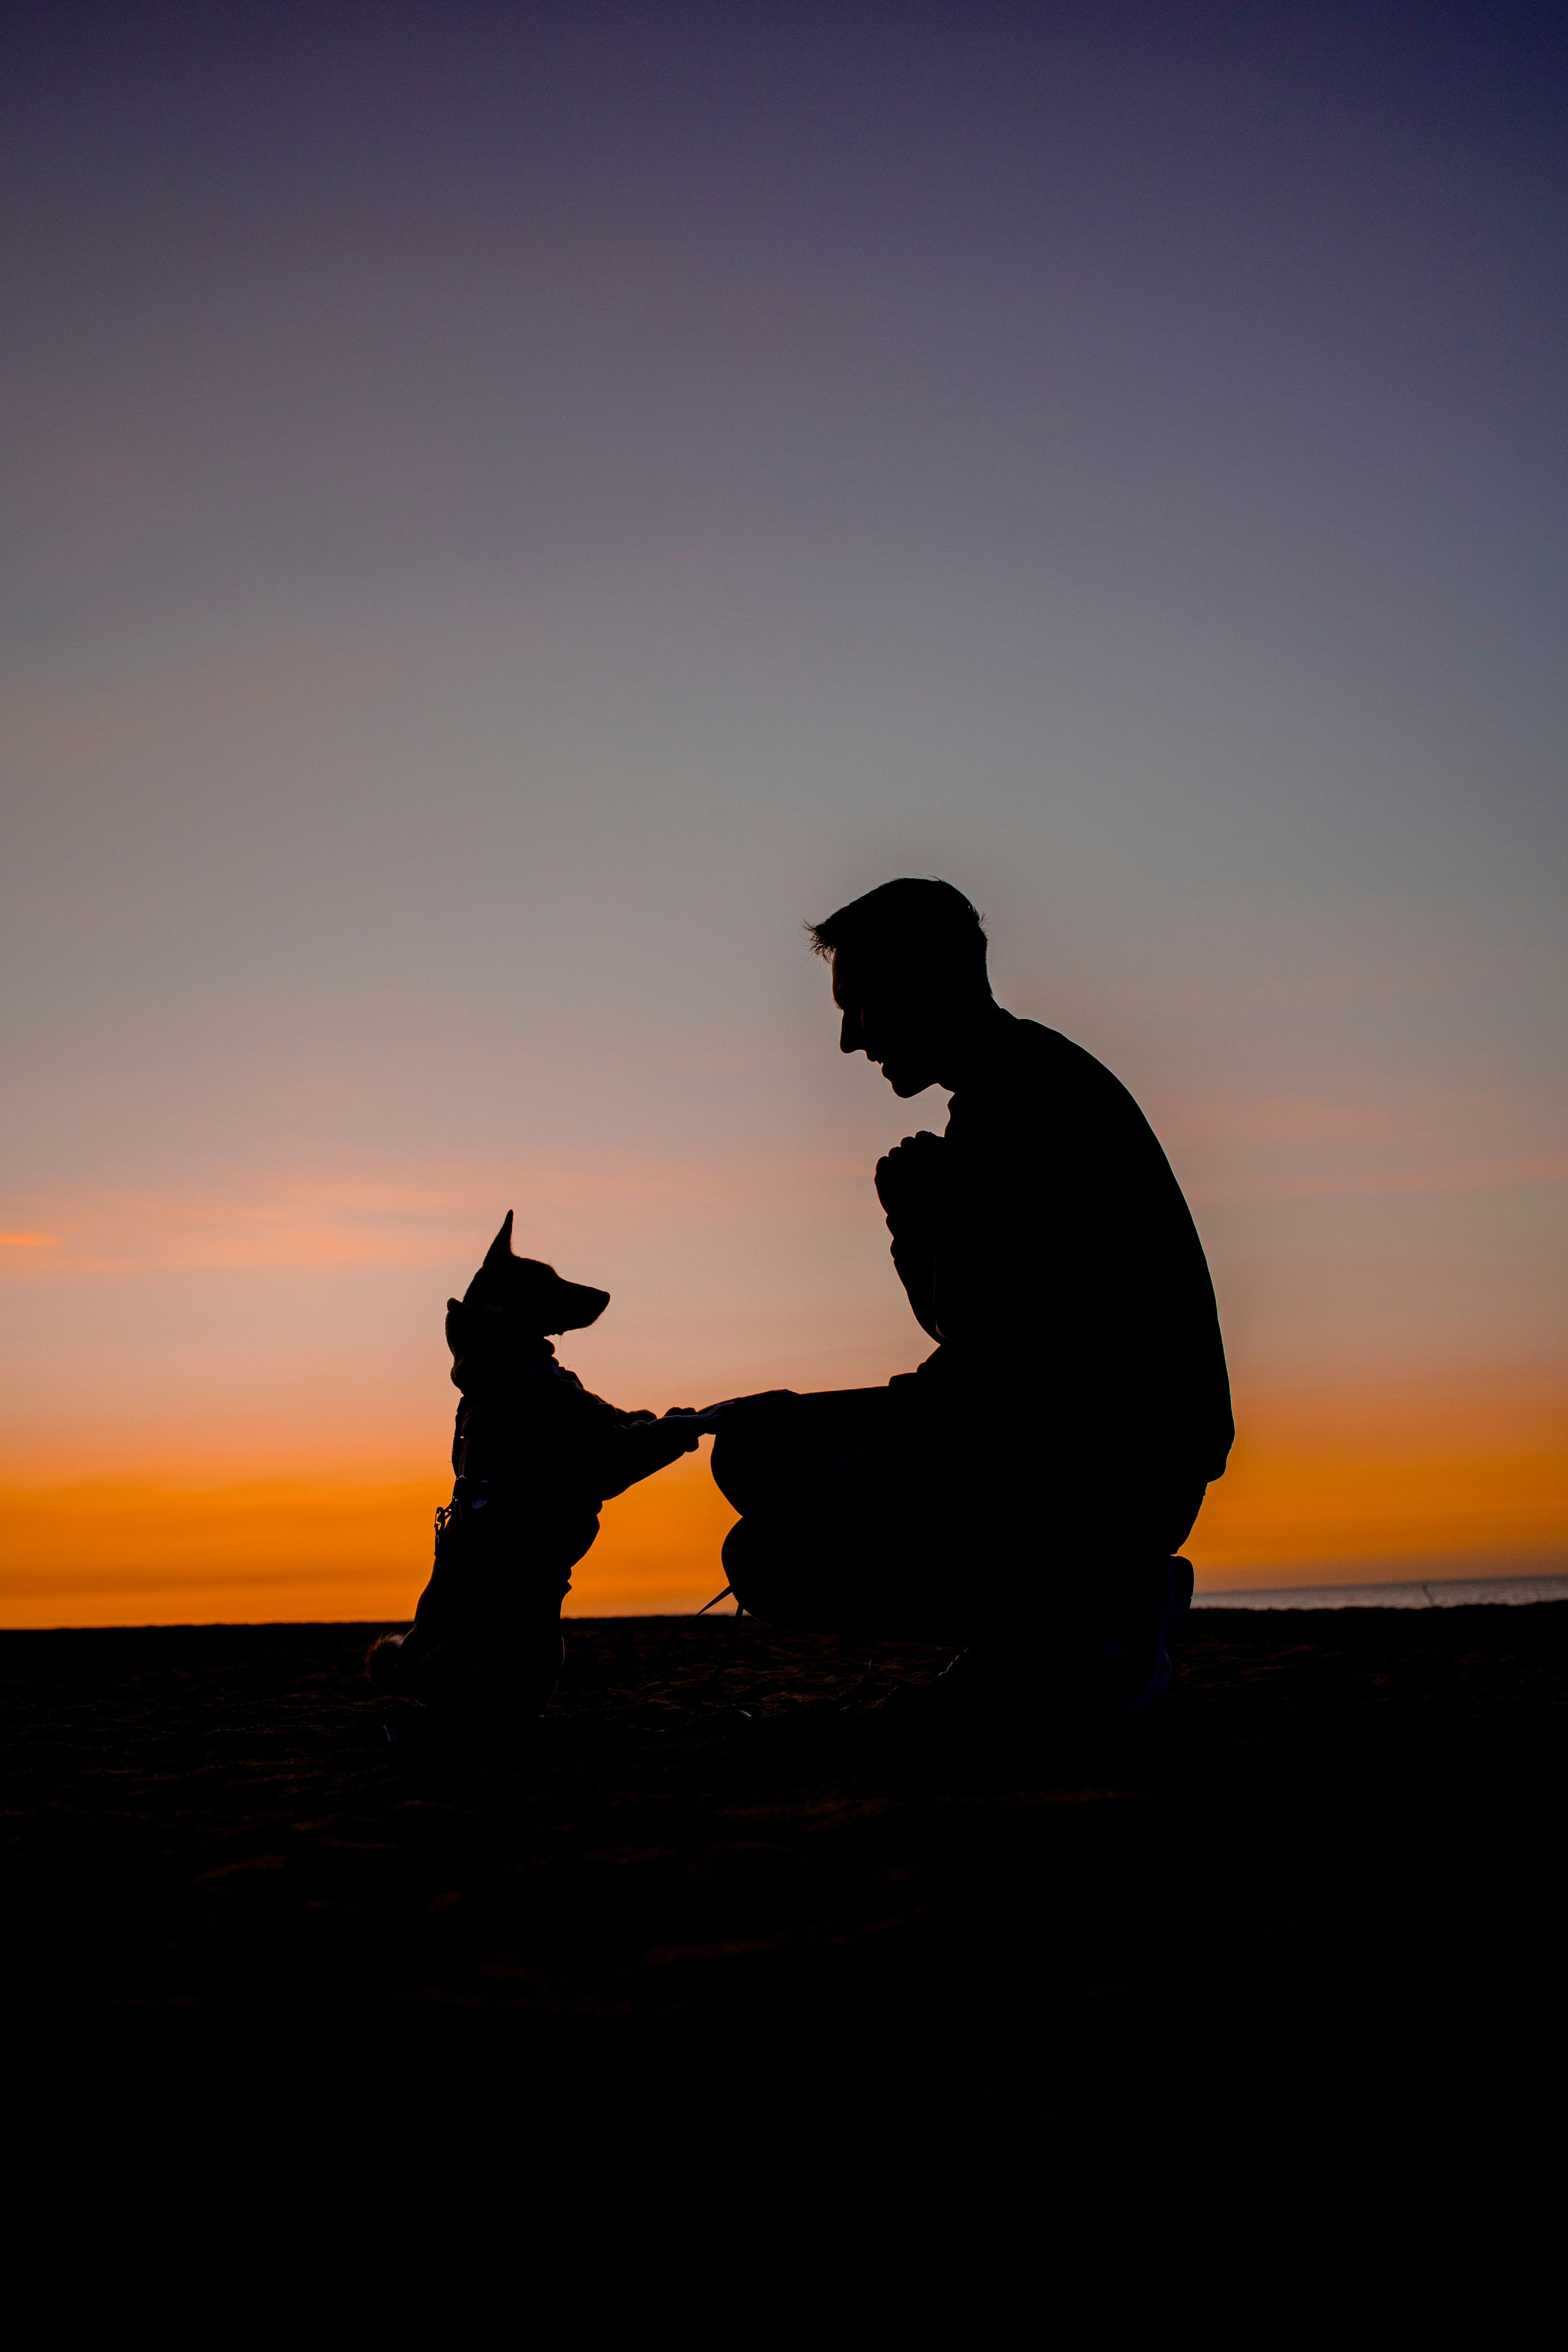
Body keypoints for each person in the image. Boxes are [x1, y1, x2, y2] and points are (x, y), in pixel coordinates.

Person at [709, 877, 1233, 1706]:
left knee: (768, 1560)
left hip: (1111, 1464)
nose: (850, 1039)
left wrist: (917, 1222)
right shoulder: (1011, 1087)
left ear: (925, 972)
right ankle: (1053, 1625)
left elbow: (988, 1343)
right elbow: (990, 1338)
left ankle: (1088, 1623)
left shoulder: (1023, 1103)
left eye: (861, 1006)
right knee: (756, 1447)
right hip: (1068, 1437)